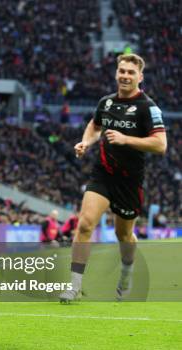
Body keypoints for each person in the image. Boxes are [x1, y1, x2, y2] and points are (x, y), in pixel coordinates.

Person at [59, 54, 167, 303]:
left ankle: (126, 275)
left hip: (130, 181)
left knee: (124, 236)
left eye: (131, 72)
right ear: (116, 73)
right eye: (122, 71)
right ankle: (74, 286)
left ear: (140, 77)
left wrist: (126, 139)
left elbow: (160, 145)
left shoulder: (147, 107)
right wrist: (86, 142)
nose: (125, 76)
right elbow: (95, 126)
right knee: (85, 224)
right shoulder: (106, 103)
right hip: (103, 174)